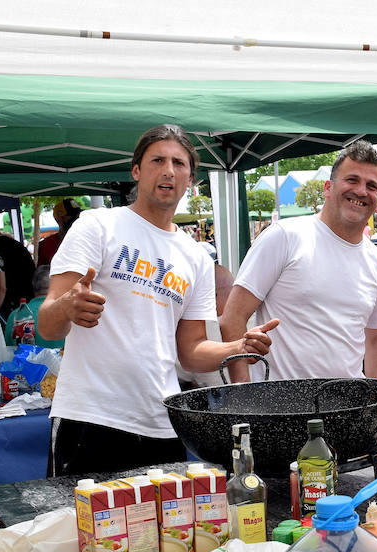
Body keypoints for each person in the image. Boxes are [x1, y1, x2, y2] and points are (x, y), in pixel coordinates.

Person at [38, 123, 278, 477]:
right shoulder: (97, 225)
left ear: (190, 179)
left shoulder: (195, 256)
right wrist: (66, 307)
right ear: (136, 170)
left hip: (162, 424)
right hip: (90, 417)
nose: (168, 170)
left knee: (162, 534)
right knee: (81, 532)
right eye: (157, 160)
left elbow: (191, 352)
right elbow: (47, 326)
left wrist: (236, 347)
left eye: (179, 163)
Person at [221, 141, 377, 383]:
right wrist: (243, 394)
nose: (361, 191)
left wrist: (376, 405)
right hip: (279, 409)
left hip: (348, 409)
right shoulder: (284, 236)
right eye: (352, 180)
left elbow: (375, 340)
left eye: (371, 186)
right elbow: (233, 318)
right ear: (328, 187)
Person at [5, 266, 64, 351]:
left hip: (23, 364)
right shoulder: (66, 314)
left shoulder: (14, 315)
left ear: (33, 286)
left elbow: (8, 351)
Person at [38, 198, 83, 267]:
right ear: (59, 219)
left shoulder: (87, 241)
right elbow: (42, 274)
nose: (77, 219)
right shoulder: (45, 245)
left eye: (78, 216)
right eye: (72, 216)